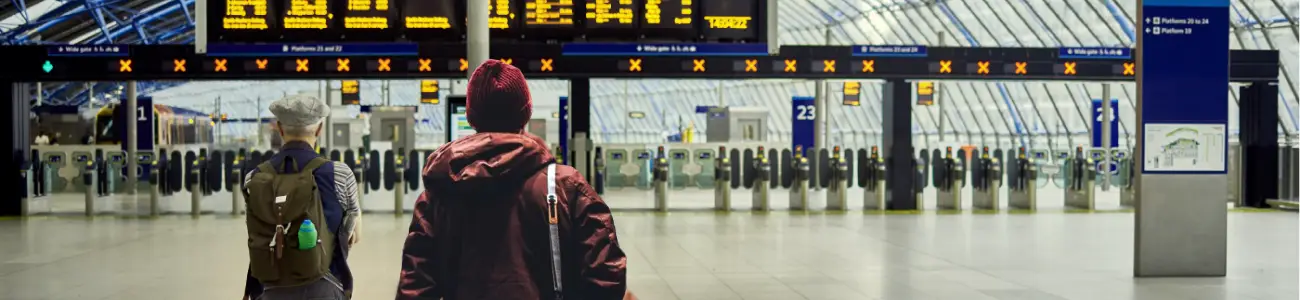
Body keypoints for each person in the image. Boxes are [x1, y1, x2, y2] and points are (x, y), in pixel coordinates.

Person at [397, 60, 630, 300]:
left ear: (471, 116)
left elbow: (415, 286)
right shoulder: (565, 186)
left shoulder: (440, 192)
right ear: (526, 112)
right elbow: (606, 275)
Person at [242, 94, 362, 300]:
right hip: (324, 287)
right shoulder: (340, 174)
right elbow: (353, 235)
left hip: (268, 288)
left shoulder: (253, 178)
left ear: (279, 129)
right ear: (319, 130)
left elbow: (257, 229)